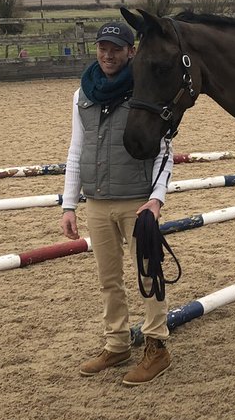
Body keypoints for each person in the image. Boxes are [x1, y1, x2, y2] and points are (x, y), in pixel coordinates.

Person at [61, 21, 175, 385]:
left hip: (137, 203)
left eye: (115, 48)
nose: (108, 55)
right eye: (102, 48)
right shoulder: (82, 95)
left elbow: (165, 152)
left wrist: (156, 201)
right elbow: (76, 149)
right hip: (96, 201)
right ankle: (117, 343)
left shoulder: (146, 91)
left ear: (131, 52)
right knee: (108, 280)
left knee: (148, 275)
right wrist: (69, 204)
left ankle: (156, 346)